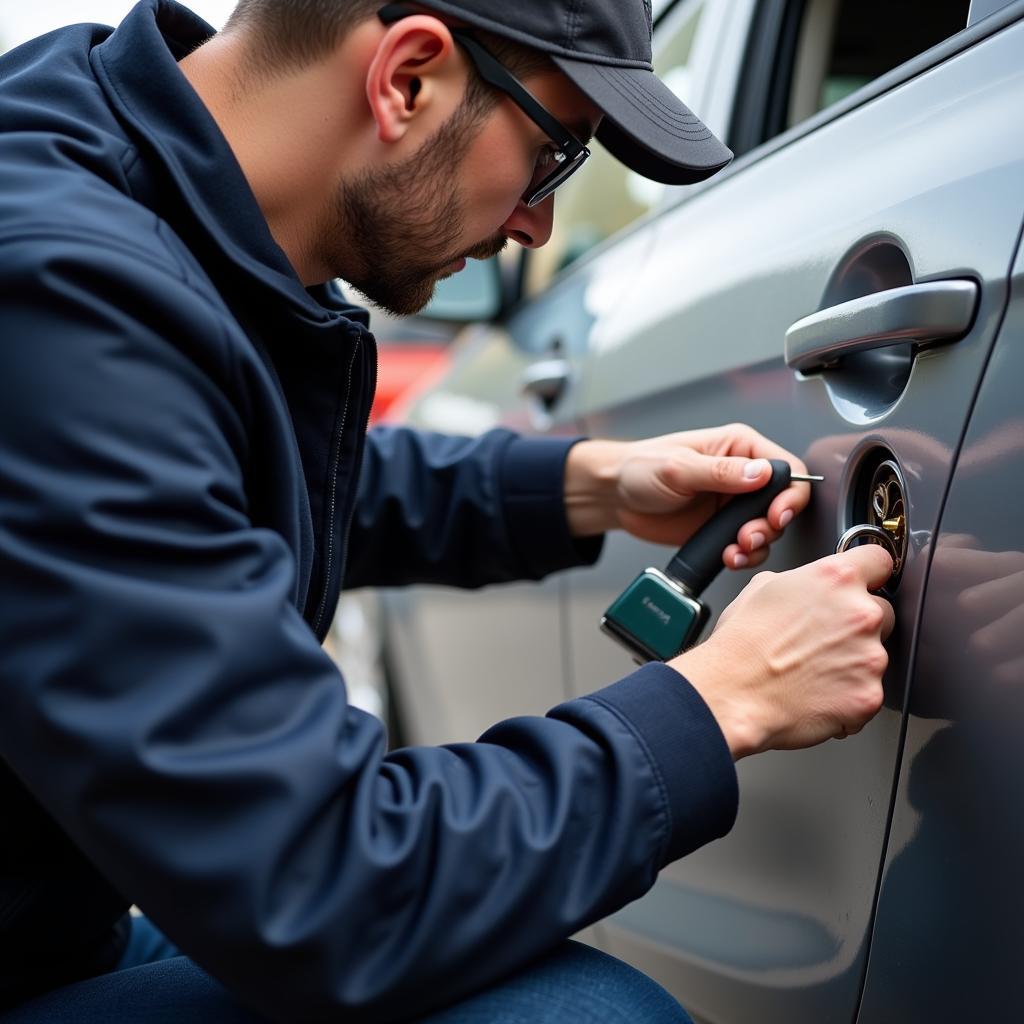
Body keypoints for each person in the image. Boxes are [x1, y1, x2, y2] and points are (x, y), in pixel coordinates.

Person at [0, 0, 895, 1021]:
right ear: (407, 78)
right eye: (554, 157)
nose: (536, 225)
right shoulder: (60, 292)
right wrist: (721, 700)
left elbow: (210, 500)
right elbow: (326, 888)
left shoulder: (132, 199)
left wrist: (584, 484)